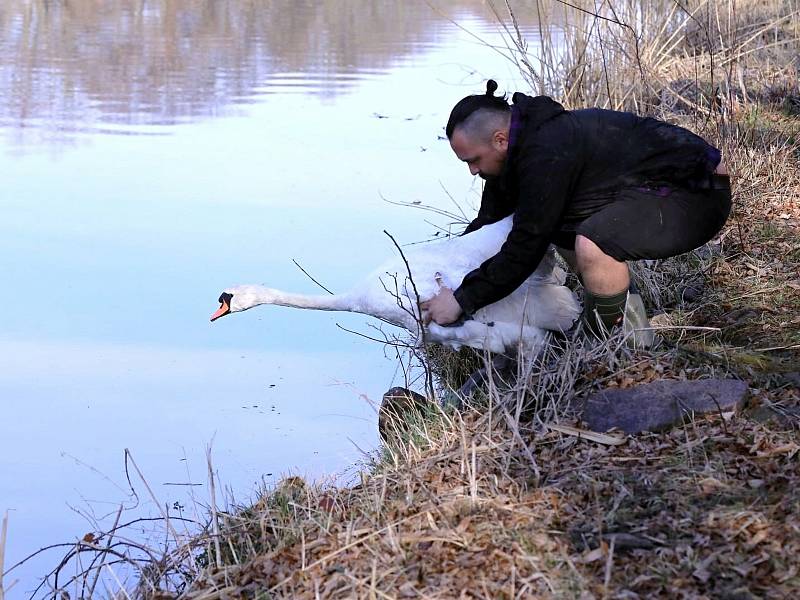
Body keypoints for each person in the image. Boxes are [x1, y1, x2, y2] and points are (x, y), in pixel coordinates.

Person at [421, 80, 731, 347]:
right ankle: (627, 324)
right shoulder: (514, 151)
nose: (473, 171)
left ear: (500, 139)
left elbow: (525, 247)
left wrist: (462, 300)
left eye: (473, 160)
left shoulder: (546, 152)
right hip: (650, 187)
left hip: (695, 193)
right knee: (562, 226)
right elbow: (487, 224)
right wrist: (448, 276)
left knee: (592, 242)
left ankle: (623, 348)